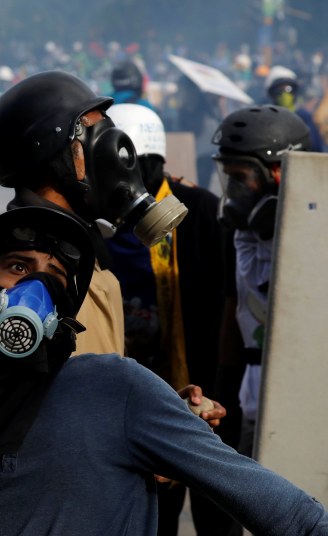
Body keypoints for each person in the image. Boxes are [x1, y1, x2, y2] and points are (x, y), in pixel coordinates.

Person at [0, 206, 328, 536]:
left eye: (54, 280)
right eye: (18, 267)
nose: (35, 290)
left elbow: (287, 515)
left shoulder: (117, 390)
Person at [0, 70, 214, 421]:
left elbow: (90, 395)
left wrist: (160, 415)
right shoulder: (37, 266)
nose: (112, 151)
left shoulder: (68, 248)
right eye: (94, 134)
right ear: (56, 155)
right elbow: (62, 427)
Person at [107, 103, 237, 535]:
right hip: (132, 407)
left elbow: (231, 306)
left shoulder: (198, 211)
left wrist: (220, 393)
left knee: (216, 515)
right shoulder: (97, 227)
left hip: (202, 402)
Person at [212, 105, 311, 463]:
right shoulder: (240, 237)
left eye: (242, 178)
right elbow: (233, 307)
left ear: (278, 173)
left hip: (306, 399)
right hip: (252, 400)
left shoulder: (317, 234)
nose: (234, 191)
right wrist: (223, 390)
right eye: (229, 178)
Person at [263, 65, 324, 152]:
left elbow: (316, 148)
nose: (284, 94)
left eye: (288, 89)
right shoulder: (266, 118)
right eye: (279, 90)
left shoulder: (304, 117)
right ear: (272, 94)